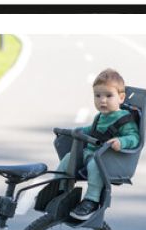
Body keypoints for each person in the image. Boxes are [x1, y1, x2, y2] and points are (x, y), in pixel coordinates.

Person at [56, 68, 140, 220]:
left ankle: (91, 200)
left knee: (95, 164)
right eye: (98, 95)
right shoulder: (100, 116)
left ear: (121, 98)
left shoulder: (124, 118)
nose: (102, 100)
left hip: (108, 159)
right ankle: (59, 190)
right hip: (91, 153)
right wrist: (78, 131)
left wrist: (121, 141)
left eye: (109, 95)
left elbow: (134, 138)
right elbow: (92, 130)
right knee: (70, 158)